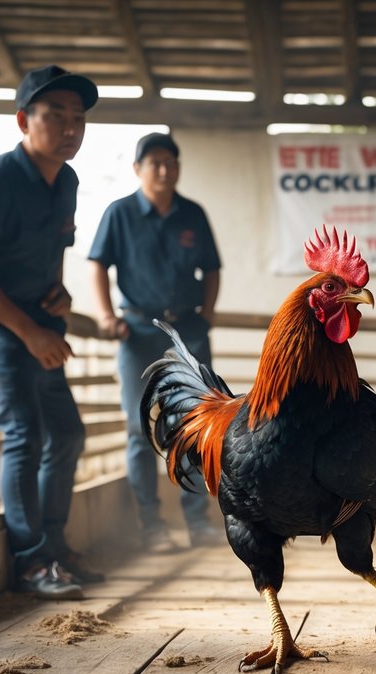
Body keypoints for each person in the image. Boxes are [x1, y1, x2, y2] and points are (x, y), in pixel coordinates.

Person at [0, 65, 101, 599]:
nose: (69, 128)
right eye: (55, 115)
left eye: (78, 118)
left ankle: (54, 548)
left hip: (38, 323)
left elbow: (56, 250)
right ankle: (31, 562)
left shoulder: (69, 182)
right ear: (22, 120)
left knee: (68, 434)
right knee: (25, 434)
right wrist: (30, 332)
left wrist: (58, 295)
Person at [89, 133, 222, 552]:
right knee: (136, 428)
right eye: (155, 163)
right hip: (137, 333)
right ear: (137, 170)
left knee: (197, 424)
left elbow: (212, 268)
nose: (164, 171)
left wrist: (208, 310)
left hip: (188, 333)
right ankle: (152, 526)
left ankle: (198, 522)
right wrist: (107, 315)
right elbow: (98, 265)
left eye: (171, 163)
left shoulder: (193, 214)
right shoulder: (120, 213)